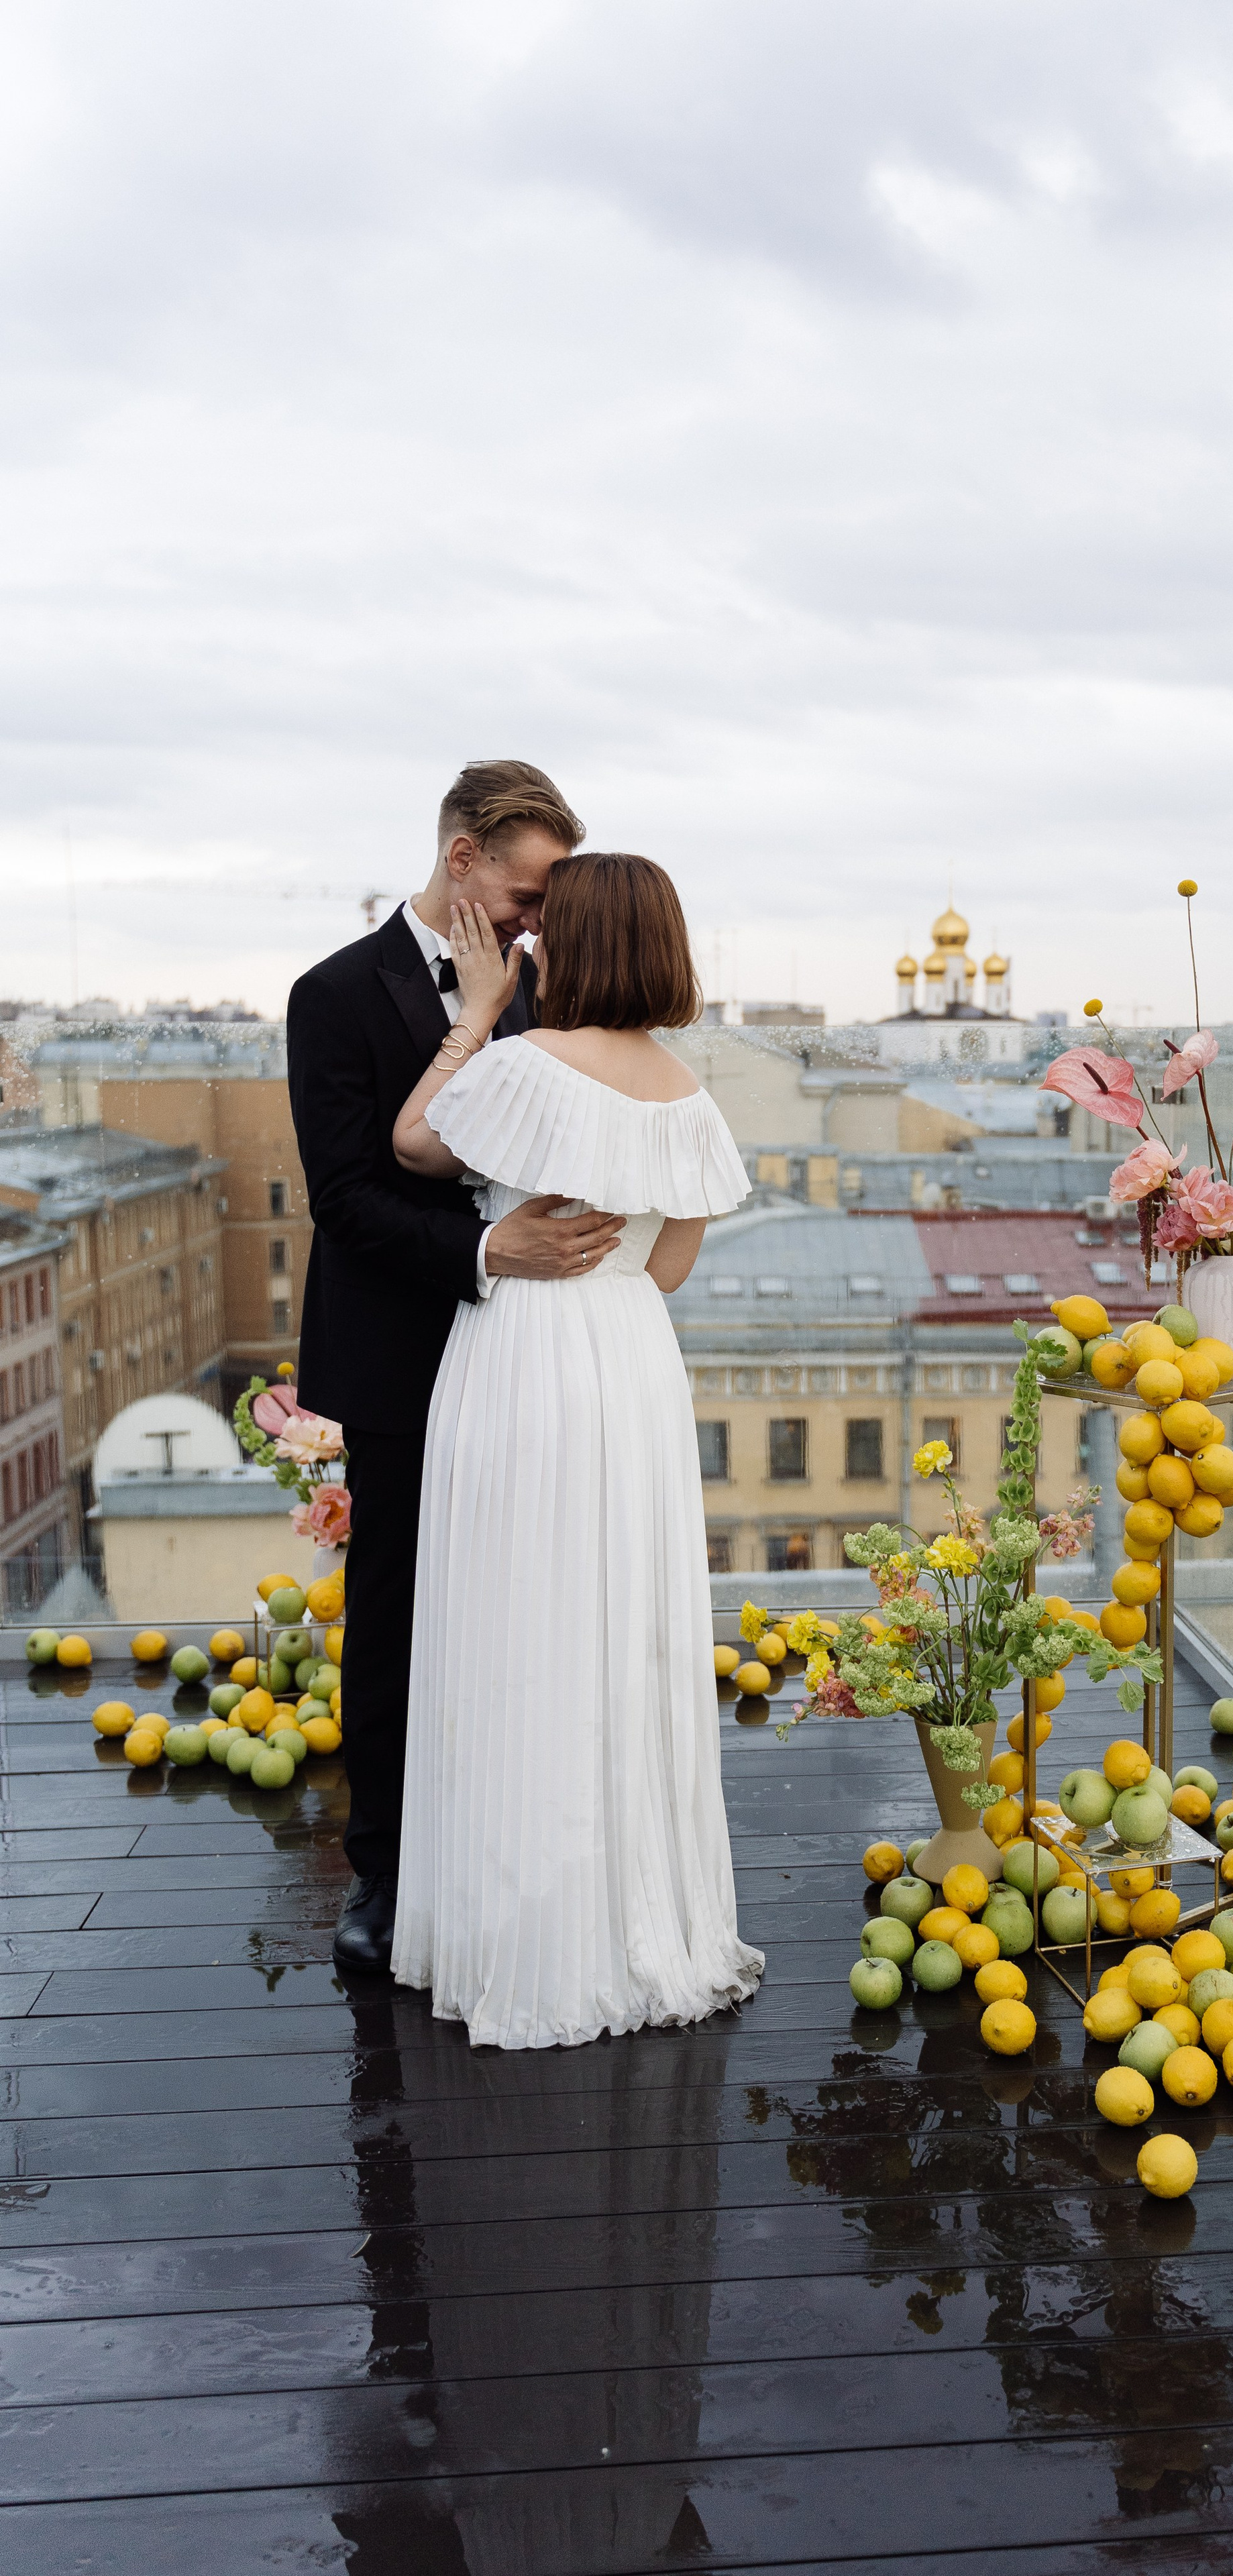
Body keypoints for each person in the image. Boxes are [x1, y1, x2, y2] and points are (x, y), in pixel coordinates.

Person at [388, 851, 763, 2047]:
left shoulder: (519, 1066)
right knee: (622, 1628)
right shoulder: (691, 1097)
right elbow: (666, 1265)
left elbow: (409, 1147)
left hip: (526, 1352)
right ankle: (641, 1921)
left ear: (576, 945)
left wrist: (484, 1008)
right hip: (632, 1357)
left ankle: (520, 1935)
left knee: (517, 1622)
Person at [287, 760, 625, 1978]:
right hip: (403, 1360)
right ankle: (383, 1874)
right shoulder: (331, 994)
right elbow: (348, 1200)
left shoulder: (553, 995)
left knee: (517, 1616)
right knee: (395, 1620)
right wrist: (492, 1248)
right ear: (462, 857)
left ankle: (502, 1857)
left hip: (530, 1359)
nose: (540, 916)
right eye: (531, 888)